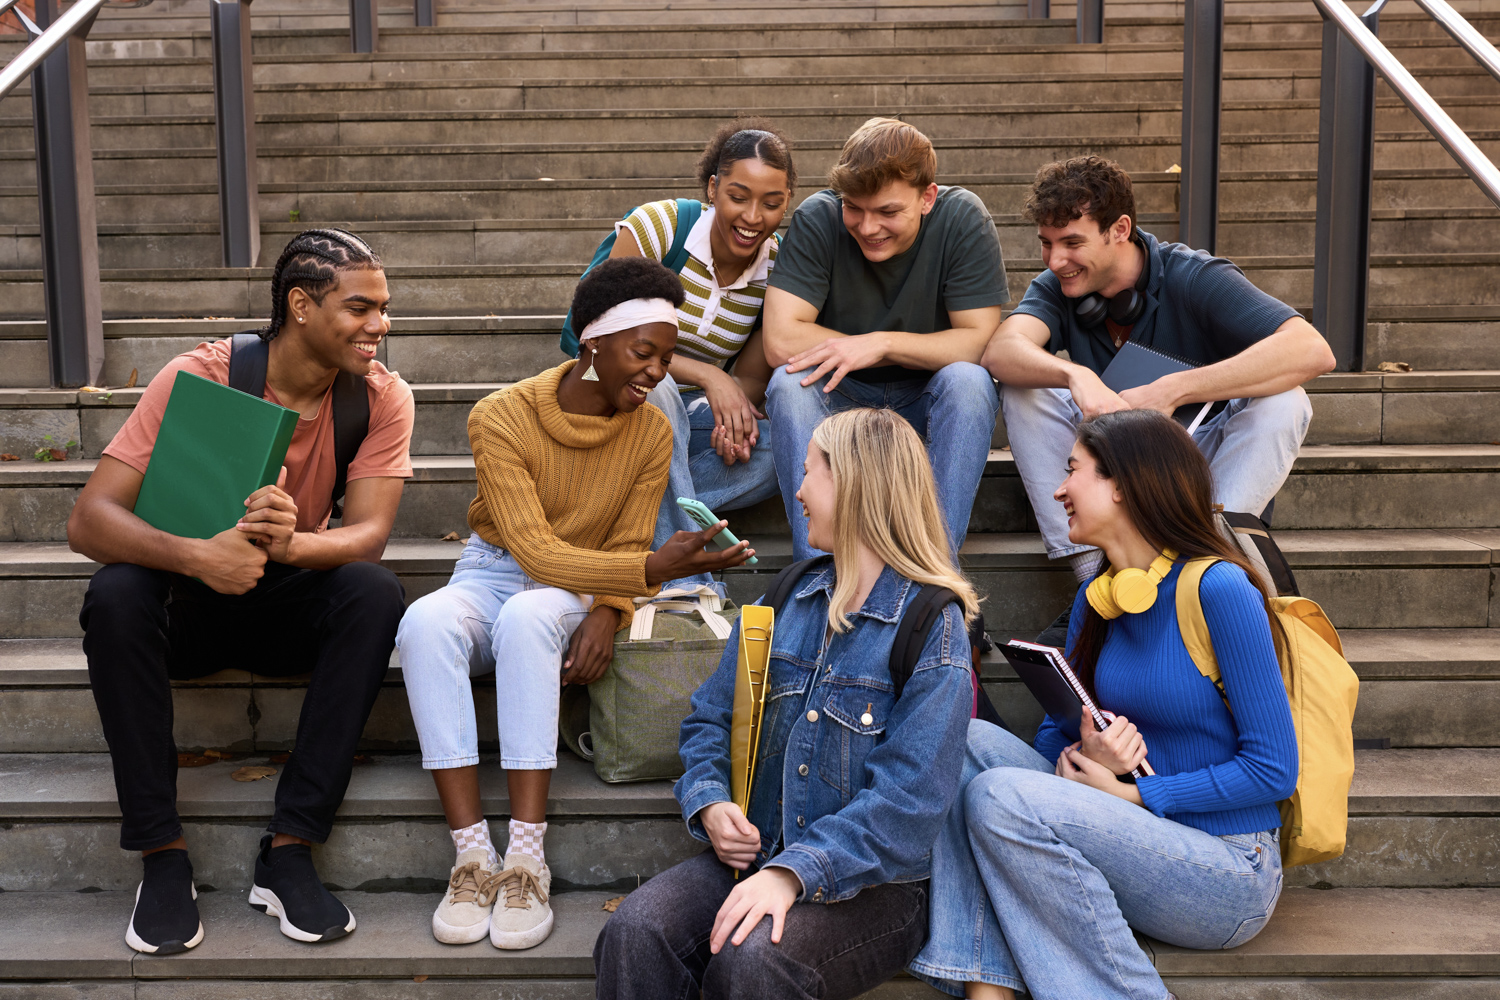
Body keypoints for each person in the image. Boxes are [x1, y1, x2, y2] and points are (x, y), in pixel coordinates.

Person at [396, 257, 756, 952]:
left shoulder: (650, 428)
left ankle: (526, 858)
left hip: (577, 584)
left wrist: (610, 608)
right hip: (496, 566)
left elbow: (621, 539)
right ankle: (472, 856)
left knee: (532, 620)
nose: (656, 372)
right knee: (423, 621)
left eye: (667, 356)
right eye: (642, 353)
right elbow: (531, 549)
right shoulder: (501, 416)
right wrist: (651, 569)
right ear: (592, 342)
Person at [68, 229, 414, 953]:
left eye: (383, 308)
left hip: (283, 598)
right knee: (116, 595)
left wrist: (294, 545)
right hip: (186, 606)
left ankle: (289, 848)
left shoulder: (379, 397)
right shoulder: (204, 374)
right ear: (300, 305)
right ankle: (161, 857)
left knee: (374, 590)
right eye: (360, 308)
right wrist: (198, 557)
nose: (380, 325)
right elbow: (89, 519)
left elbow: (371, 532)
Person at [909, 409, 1299, 1000]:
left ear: (1122, 484)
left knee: (999, 796)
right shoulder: (1101, 598)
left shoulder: (1219, 590)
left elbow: (1274, 770)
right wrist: (1081, 753)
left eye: (1073, 471)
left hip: (1226, 867)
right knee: (959, 742)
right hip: (1126, 832)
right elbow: (1051, 733)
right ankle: (987, 988)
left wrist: (1136, 794)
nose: (1059, 489)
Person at [594, 407, 980, 1000]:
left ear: (854, 483)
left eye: (809, 473)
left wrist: (793, 872)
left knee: (755, 964)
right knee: (636, 932)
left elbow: (909, 803)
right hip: (761, 854)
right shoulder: (789, 595)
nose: (796, 491)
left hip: (875, 889)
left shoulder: (932, 625)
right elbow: (709, 718)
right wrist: (713, 802)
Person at [984, 155, 1336, 597]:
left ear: (1120, 229)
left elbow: (1312, 349)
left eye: (1072, 243)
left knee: (1288, 400)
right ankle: (1095, 584)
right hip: (1107, 468)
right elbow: (1001, 349)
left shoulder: (1195, 275)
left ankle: (1204, 566)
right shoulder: (1057, 286)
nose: (1055, 260)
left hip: (1195, 464)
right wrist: (1076, 376)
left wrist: (1173, 390)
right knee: (1023, 389)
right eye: (1046, 243)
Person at [762, 117, 1009, 560]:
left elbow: (980, 343)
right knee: (788, 382)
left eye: (888, 212)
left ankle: (934, 578)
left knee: (970, 383)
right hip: (841, 398)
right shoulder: (820, 217)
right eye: (854, 207)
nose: (868, 227)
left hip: (925, 400)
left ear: (927, 197)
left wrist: (882, 342)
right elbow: (781, 340)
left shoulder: (962, 217)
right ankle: (818, 575)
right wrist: (872, 348)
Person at [609, 119, 795, 594]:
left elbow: (749, 379)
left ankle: (618, 511)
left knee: (787, 450)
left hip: (688, 429)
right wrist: (710, 375)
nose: (753, 216)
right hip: (620, 403)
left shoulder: (778, 268)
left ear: (787, 201)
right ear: (713, 188)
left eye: (771, 203)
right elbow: (603, 336)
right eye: (738, 196)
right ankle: (691, 580)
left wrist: (732, 423)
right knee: (658, 385)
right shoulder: (659, 227)